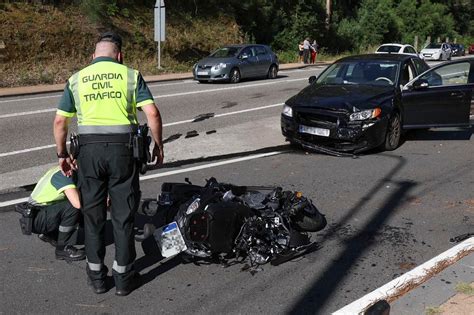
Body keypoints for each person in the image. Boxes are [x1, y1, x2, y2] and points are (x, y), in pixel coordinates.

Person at [53, 31, 164, 296]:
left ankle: (97, 278)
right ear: (119, 55)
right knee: (124, 216)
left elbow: (60, 122)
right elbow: (152, 114)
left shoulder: (76, 79)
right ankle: (124, 279)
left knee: (92, 217)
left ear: (93, 57)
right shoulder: (130, 75)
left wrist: (62, 154)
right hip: (123, 153)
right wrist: (159, 145)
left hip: (88, 155)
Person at [15, 166, 85, 261]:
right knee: (73, 207)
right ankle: (63, 248)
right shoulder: (65, 174)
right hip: (37, 218)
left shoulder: (59, 169)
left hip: (36, 214)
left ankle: (50, 234)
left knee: (74, 201)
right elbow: (77, 203)